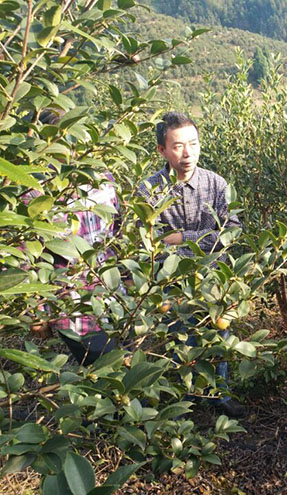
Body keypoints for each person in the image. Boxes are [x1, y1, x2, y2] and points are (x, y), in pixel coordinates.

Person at [139, 111, 245, 418]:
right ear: (162, 150)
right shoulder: (149, 191)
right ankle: (182, 400)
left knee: (219, 337)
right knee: (179, 340)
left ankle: (218, 395)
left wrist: (182, 238)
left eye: (193, 144)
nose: (188, 153)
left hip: (214, 280)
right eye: (178, 146)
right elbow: (149, 241)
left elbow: (231, 232)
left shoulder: (216, 184)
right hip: (171, 284)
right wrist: (203, 240)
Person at [24, 110, 119, 365]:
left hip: (114, 297)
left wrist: (130, 281)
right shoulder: (35, 191)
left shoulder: (103, 178)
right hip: (74, 309)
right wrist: (36, 311)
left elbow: (117, 231)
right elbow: (26, 255)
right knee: (103, 369)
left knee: (122, 367)